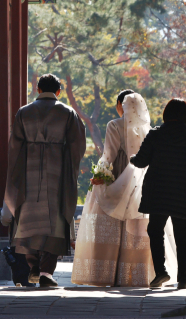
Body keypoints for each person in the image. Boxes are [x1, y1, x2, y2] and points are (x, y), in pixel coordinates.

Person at [71, 90, 178, 287]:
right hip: (143, 181)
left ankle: (109, 274)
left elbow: (109, 154)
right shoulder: (148, 129)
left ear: (121, 105)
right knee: (138, 227)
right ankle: (138, 275)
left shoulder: (115, 125)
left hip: (118, 176)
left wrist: (99, 175)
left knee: (113, 222)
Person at [4, 73, 87, 288]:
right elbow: (77, 146)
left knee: (28, 219)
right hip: (57, 172)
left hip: (28, 173)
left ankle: (32, 266)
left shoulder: (24, 112)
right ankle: (46, 273)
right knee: (55, 221)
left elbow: (14, 147)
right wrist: (70, 166)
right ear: (58, 91)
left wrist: (17, 173)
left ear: (38, 90)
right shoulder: (68, 113)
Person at [130, 98, 186, 289]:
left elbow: (141, 161)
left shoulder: (156, 134)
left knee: (155, 230)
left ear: (166, 114)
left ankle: (161, 272)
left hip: (159, 190)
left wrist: (131, 158)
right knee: (182, 236)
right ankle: (184, 279)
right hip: (184, 192)